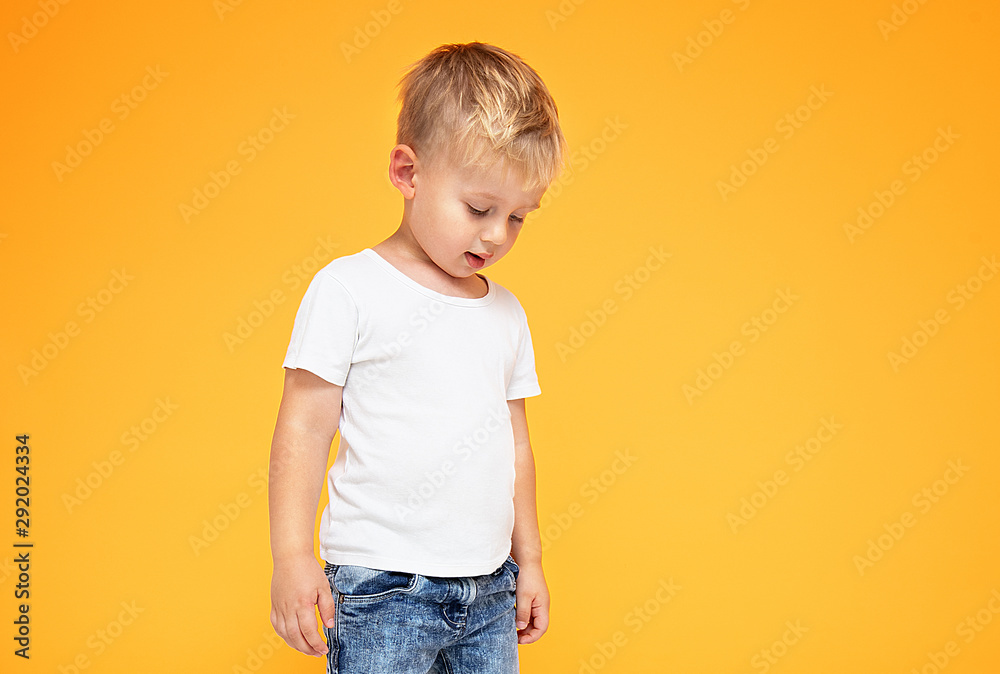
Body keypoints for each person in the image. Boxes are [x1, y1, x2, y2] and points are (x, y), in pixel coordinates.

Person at [267, 41, 569, 673]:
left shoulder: (506, 314)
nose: (496, 235)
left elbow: (516, 446)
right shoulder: (349, 289)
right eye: (480, 209)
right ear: (408, 173)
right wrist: (292, 557)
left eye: (518, 217)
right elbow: (304, 424)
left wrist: (530, 561)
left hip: (489, 590)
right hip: (382, 591)